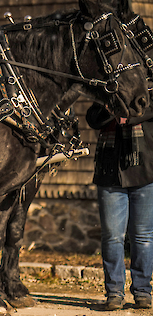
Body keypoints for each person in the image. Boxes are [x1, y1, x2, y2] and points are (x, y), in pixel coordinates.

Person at [87, 102, 153, 311]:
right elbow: (93, 118)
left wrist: (122, 116)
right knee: (112, 237)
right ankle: (114, 293)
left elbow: (143, 112)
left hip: (145, 171)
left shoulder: (147, 94)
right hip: (109, 173)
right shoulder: (108, 94)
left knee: (143, 236)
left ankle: (143, 292)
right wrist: (114, 110)